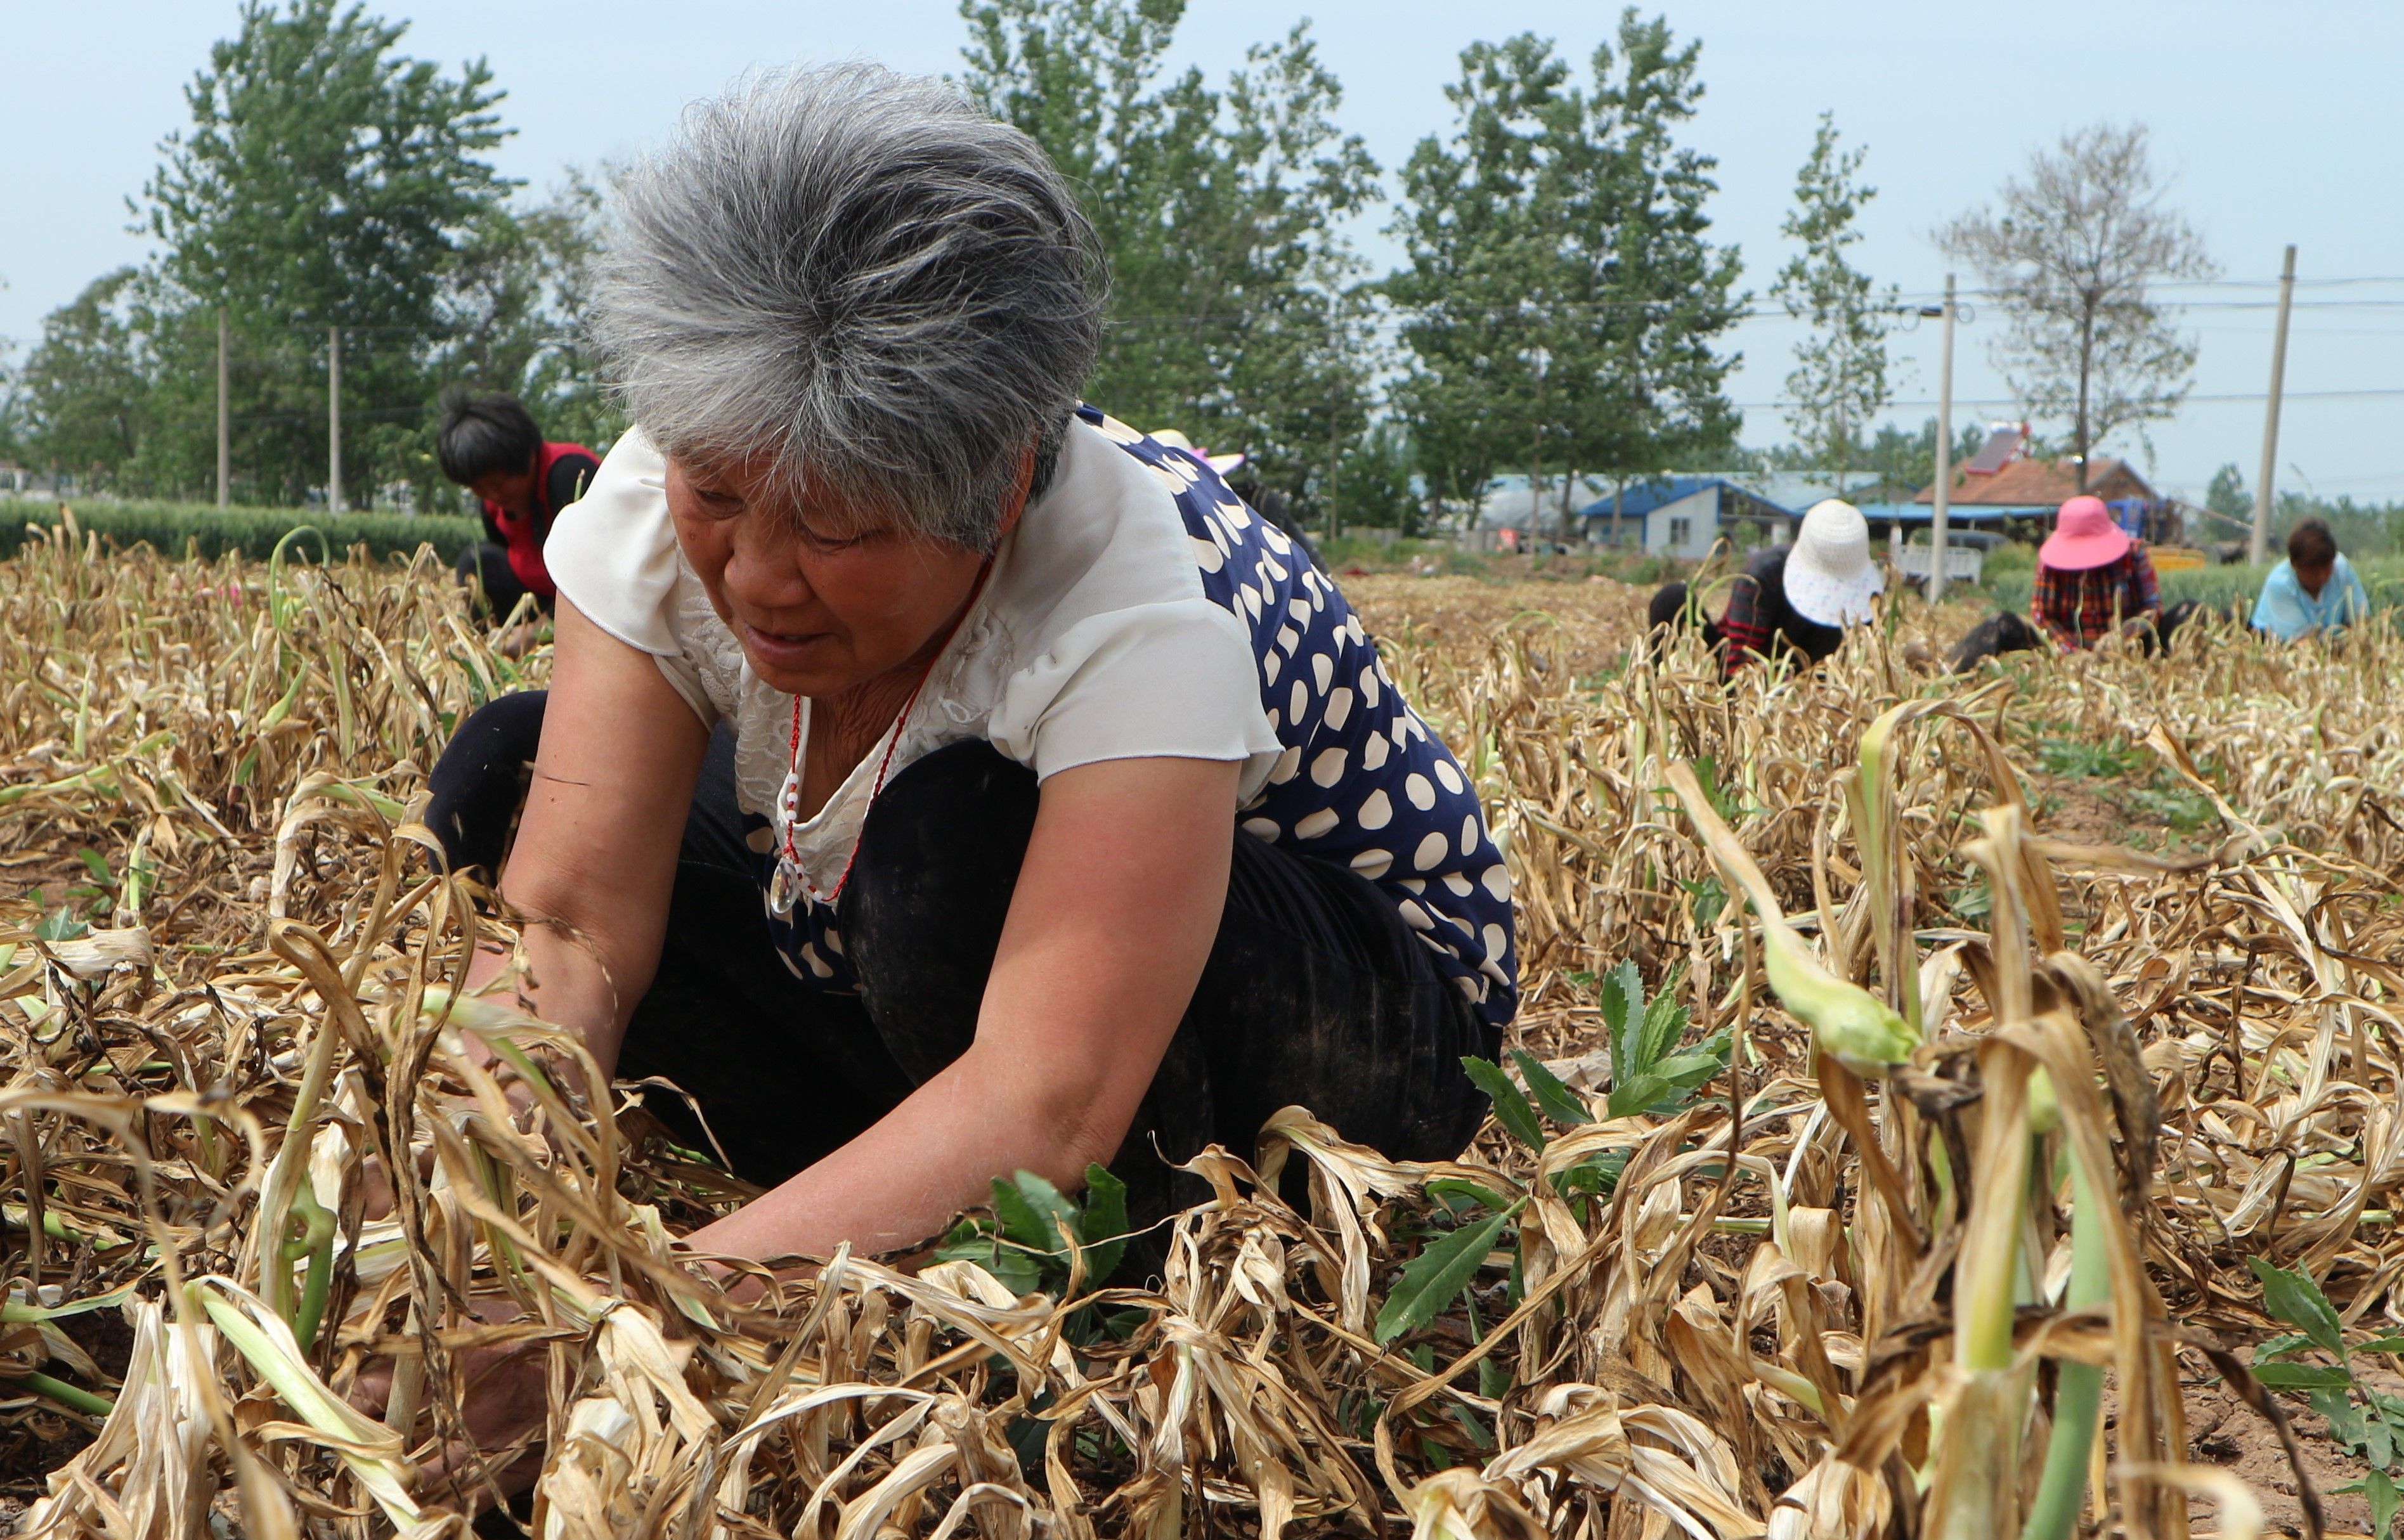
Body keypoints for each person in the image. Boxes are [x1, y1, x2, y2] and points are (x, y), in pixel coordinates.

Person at [408, 64, 1515, 1458]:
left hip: (1326, 1015)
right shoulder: (665, 478)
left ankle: (1107, 1312)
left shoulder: (1138, 603)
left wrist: (645, 1329)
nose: (756, 575)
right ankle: (887, 1194)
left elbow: (1046, 1094)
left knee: (944, 845)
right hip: (931, 974)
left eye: (836, 526)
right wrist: (468, 1242)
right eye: (721, 495)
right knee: (521, 763)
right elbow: (569, 927)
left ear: (993, 488)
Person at [1646, 498, 1885, 678]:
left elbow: (1858, 665)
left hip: (1815, 678)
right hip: (1744, 670)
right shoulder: (1764, 574)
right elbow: (1739, 659)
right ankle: (1657, 697)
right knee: (1673, 600)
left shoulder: (1866, 599)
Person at [1948, 495, 2193, 670]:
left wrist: (2118, 642)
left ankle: (2192, 677)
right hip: (2063, 650)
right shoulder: (2050, 564)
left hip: (2131, 649)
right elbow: (2042, 615)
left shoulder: (2133, 554)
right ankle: (1952, 673)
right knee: (2000, 623)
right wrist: (2072, 653)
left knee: (2189, 613)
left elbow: (2151, 608)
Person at [436, 390, 600, 623]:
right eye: (479, 488)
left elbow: (595, 576)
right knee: (477, 561)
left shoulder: (570, 475)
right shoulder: (492, 507)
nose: (493, 495)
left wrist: (537, 632)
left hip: (591, 608)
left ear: (529, 458)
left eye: (499, 483)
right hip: (539, 603)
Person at [2251, 517, 2368, 641]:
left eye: (2327, 567)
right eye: (2313, 571)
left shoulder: (2342, 568)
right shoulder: (2280, 584)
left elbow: (2361, 620)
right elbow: (2303, 642)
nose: (2322, 576)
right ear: (2295, 566)